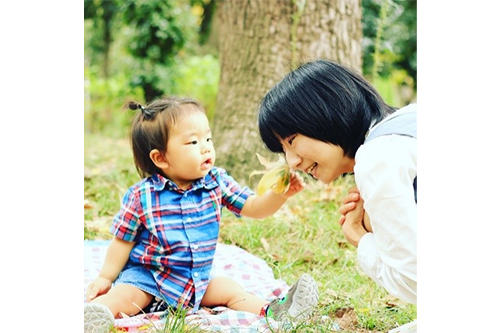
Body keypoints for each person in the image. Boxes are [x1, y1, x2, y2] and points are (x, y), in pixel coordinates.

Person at [84, 97, 319, 333]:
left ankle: (276, 311)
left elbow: (253, 207)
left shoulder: (216, 181)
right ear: (161, 158)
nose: (206, 147)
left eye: (208, 138)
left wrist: (280, 195)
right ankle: (97, 313)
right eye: (193, 142)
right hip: (150, 278)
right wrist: (106, 277)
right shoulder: (142, 196)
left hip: (196, 280)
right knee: (125, 294)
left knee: (230, 289)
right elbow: (123, 240)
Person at [257, 59, 417, 306]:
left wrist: (358, 236)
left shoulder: (377, 158)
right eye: (283, 150)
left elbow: (415, 282)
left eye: (292, 140)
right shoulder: (409, 118)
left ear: (326, 114)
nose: (292, 162)